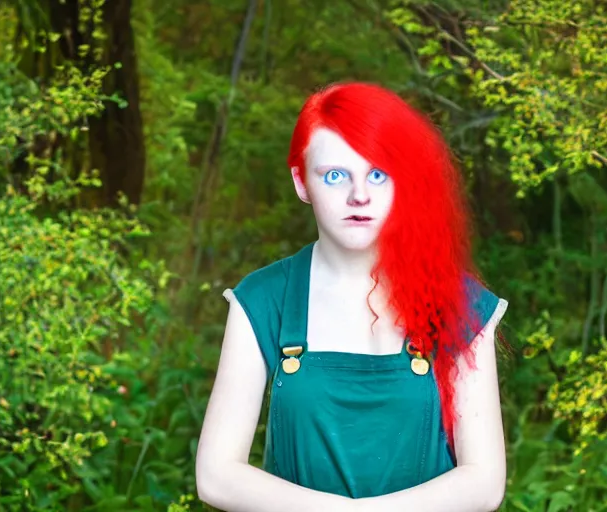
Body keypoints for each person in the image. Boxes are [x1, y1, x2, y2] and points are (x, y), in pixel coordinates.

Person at [195, 82, 509, 512]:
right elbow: (216, 475)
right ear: (301, 182)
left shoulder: (457, 300)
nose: (359, 195)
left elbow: (484, 483)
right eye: (335, 175)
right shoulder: (264, 299)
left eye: (377, 173)